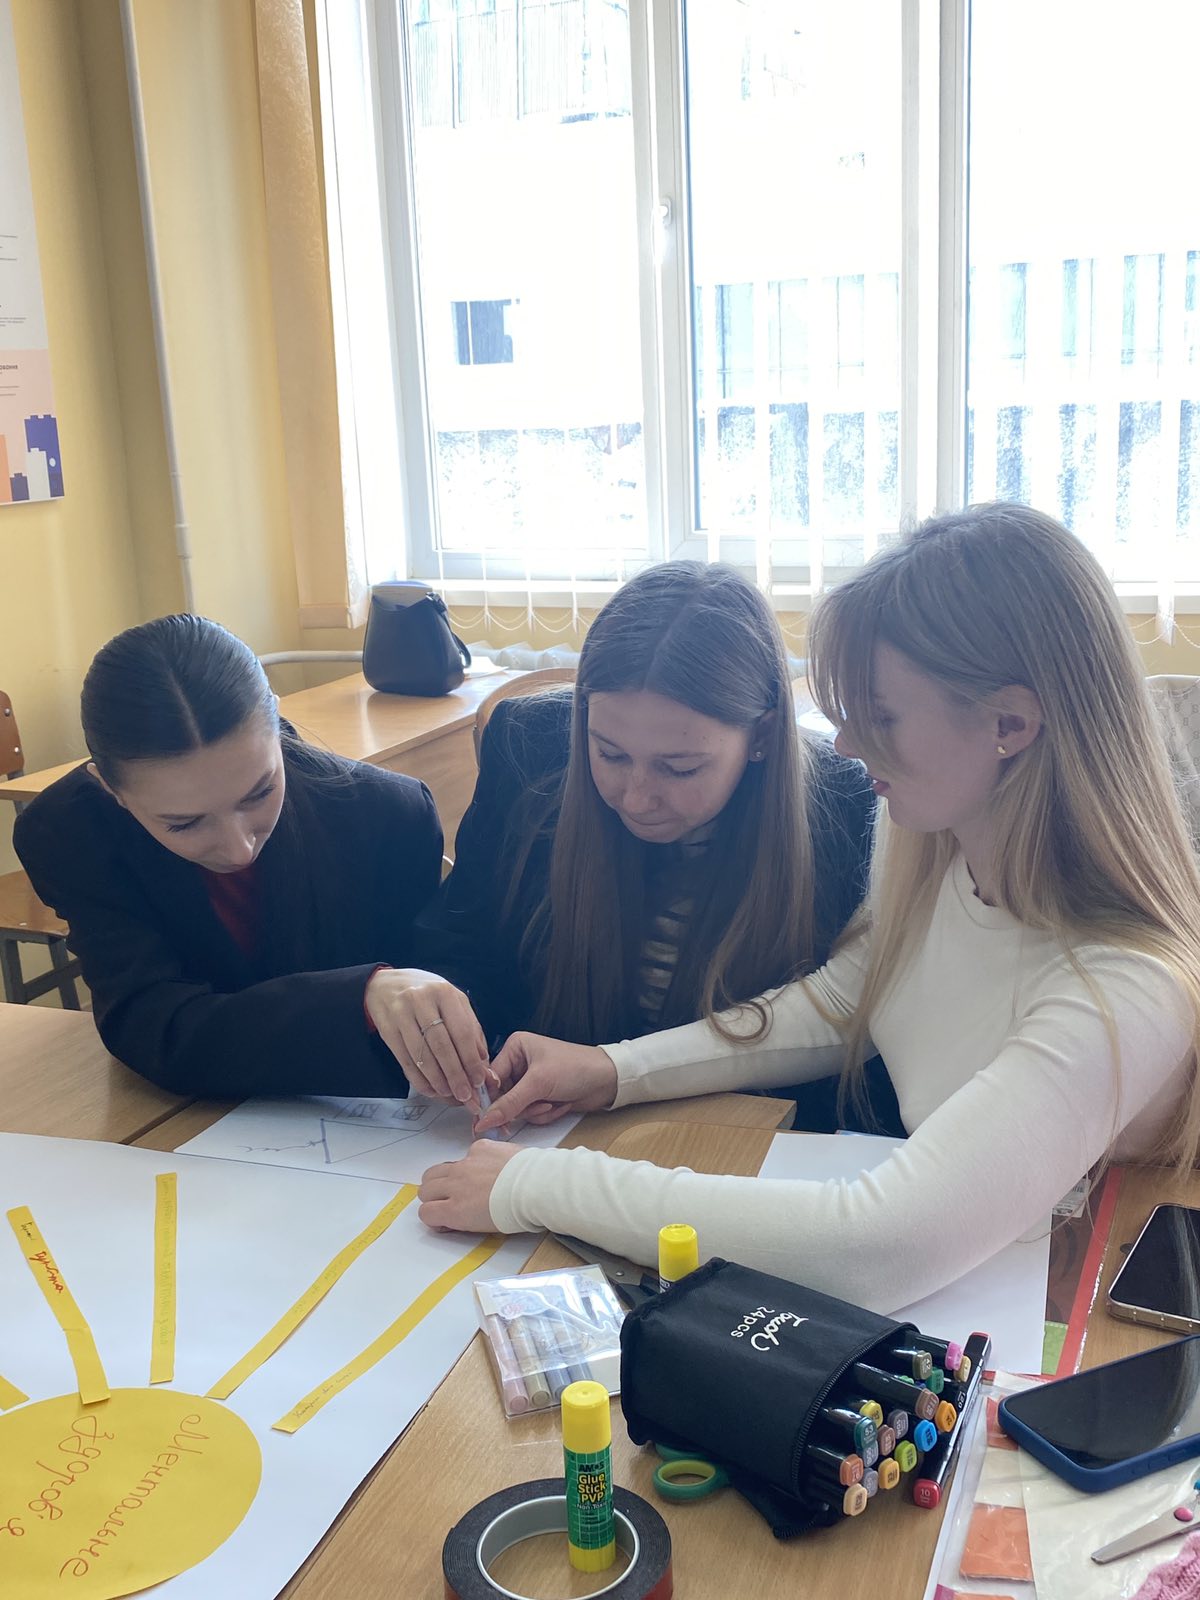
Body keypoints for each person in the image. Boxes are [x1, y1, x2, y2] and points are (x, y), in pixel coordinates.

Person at [417, 505, 1200, 1313]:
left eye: (882, 716)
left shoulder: (1130, 984)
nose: (848, 745)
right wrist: (616, 1070)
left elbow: (876, 1246)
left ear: (1010, 723)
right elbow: (846, 997)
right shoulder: (935, 841)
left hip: (1061, 1309)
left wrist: (538, 1184)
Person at [387, 560, 879, 1116]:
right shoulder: (529, 743)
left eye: (680, 768)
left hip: (740, 1131)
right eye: (611, 754)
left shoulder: (853, 805)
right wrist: (438, 1008)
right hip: (549, 1126)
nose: (638, 798)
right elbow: (462, 943)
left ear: (761, 736)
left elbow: (841, 1041)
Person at [15, 615, 443, 1098]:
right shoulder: (68, 834)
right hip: (188, 1118)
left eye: (260, 792)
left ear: (276, 722)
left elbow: (434, 1007)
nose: (239, 848)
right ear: (109, 789)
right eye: (184, 823)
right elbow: (151, 1026)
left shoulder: (389, 814)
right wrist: (358, 998)